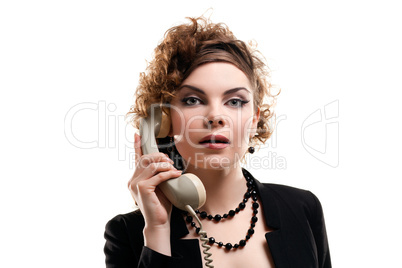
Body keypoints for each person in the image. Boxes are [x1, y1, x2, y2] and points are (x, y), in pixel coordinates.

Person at [104, 16, 331, 268]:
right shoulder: (128, 232)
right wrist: (157, 231)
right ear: (164, 121)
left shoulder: (302, 208)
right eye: (192, 100)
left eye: (235, 101)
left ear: (254, 119)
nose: (215, 117)